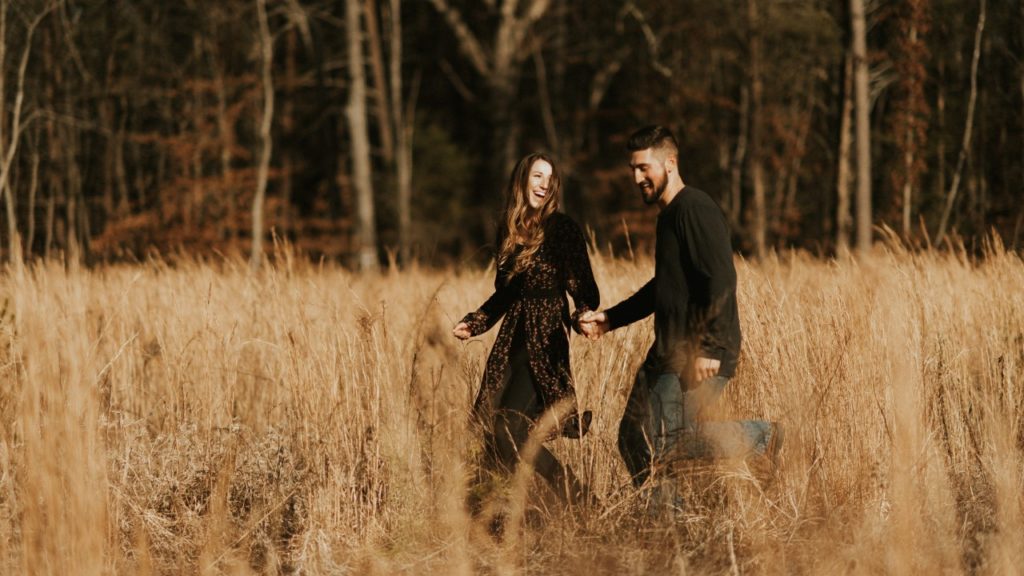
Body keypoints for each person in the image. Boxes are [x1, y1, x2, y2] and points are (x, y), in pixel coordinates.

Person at [579, 125, 780, 494]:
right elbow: (665, 288)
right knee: (632, 439)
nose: (637, 177)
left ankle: (766, 437)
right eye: (633, 169)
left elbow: (720, 278)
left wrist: (709, 347)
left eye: (644, 168)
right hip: (667, 351)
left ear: (669, 163)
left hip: (696, 352)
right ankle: (662, 526)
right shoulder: (669, 216)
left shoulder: (694, 209)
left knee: (663, 443)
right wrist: (611, 319)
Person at [453, 152, 600, 504]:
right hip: (511, 343)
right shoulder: (510, 231)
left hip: (545, 341)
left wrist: (583, 311)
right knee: (490, 432)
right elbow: (504, 296)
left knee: (510, 430)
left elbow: (585, 288)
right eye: (537, 176)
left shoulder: (562, 229)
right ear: (522, 180)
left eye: (549, 178)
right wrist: (475, 322)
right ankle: (492, 519)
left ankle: (579, 497)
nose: (544, 184)